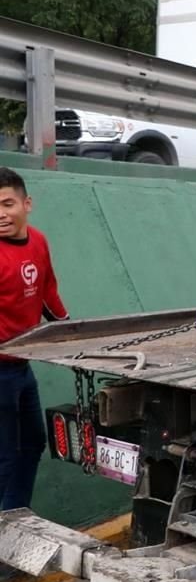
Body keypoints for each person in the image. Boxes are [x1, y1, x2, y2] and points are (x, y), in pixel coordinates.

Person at [0, 166, 68, 510]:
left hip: (21, 368)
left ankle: (13, 521)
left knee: (32, 444)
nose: (0, 215)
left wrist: (73, 337)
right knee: (4, 459)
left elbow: (47, 295)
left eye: (7, 204)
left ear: (27, 203)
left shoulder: (38, 241)